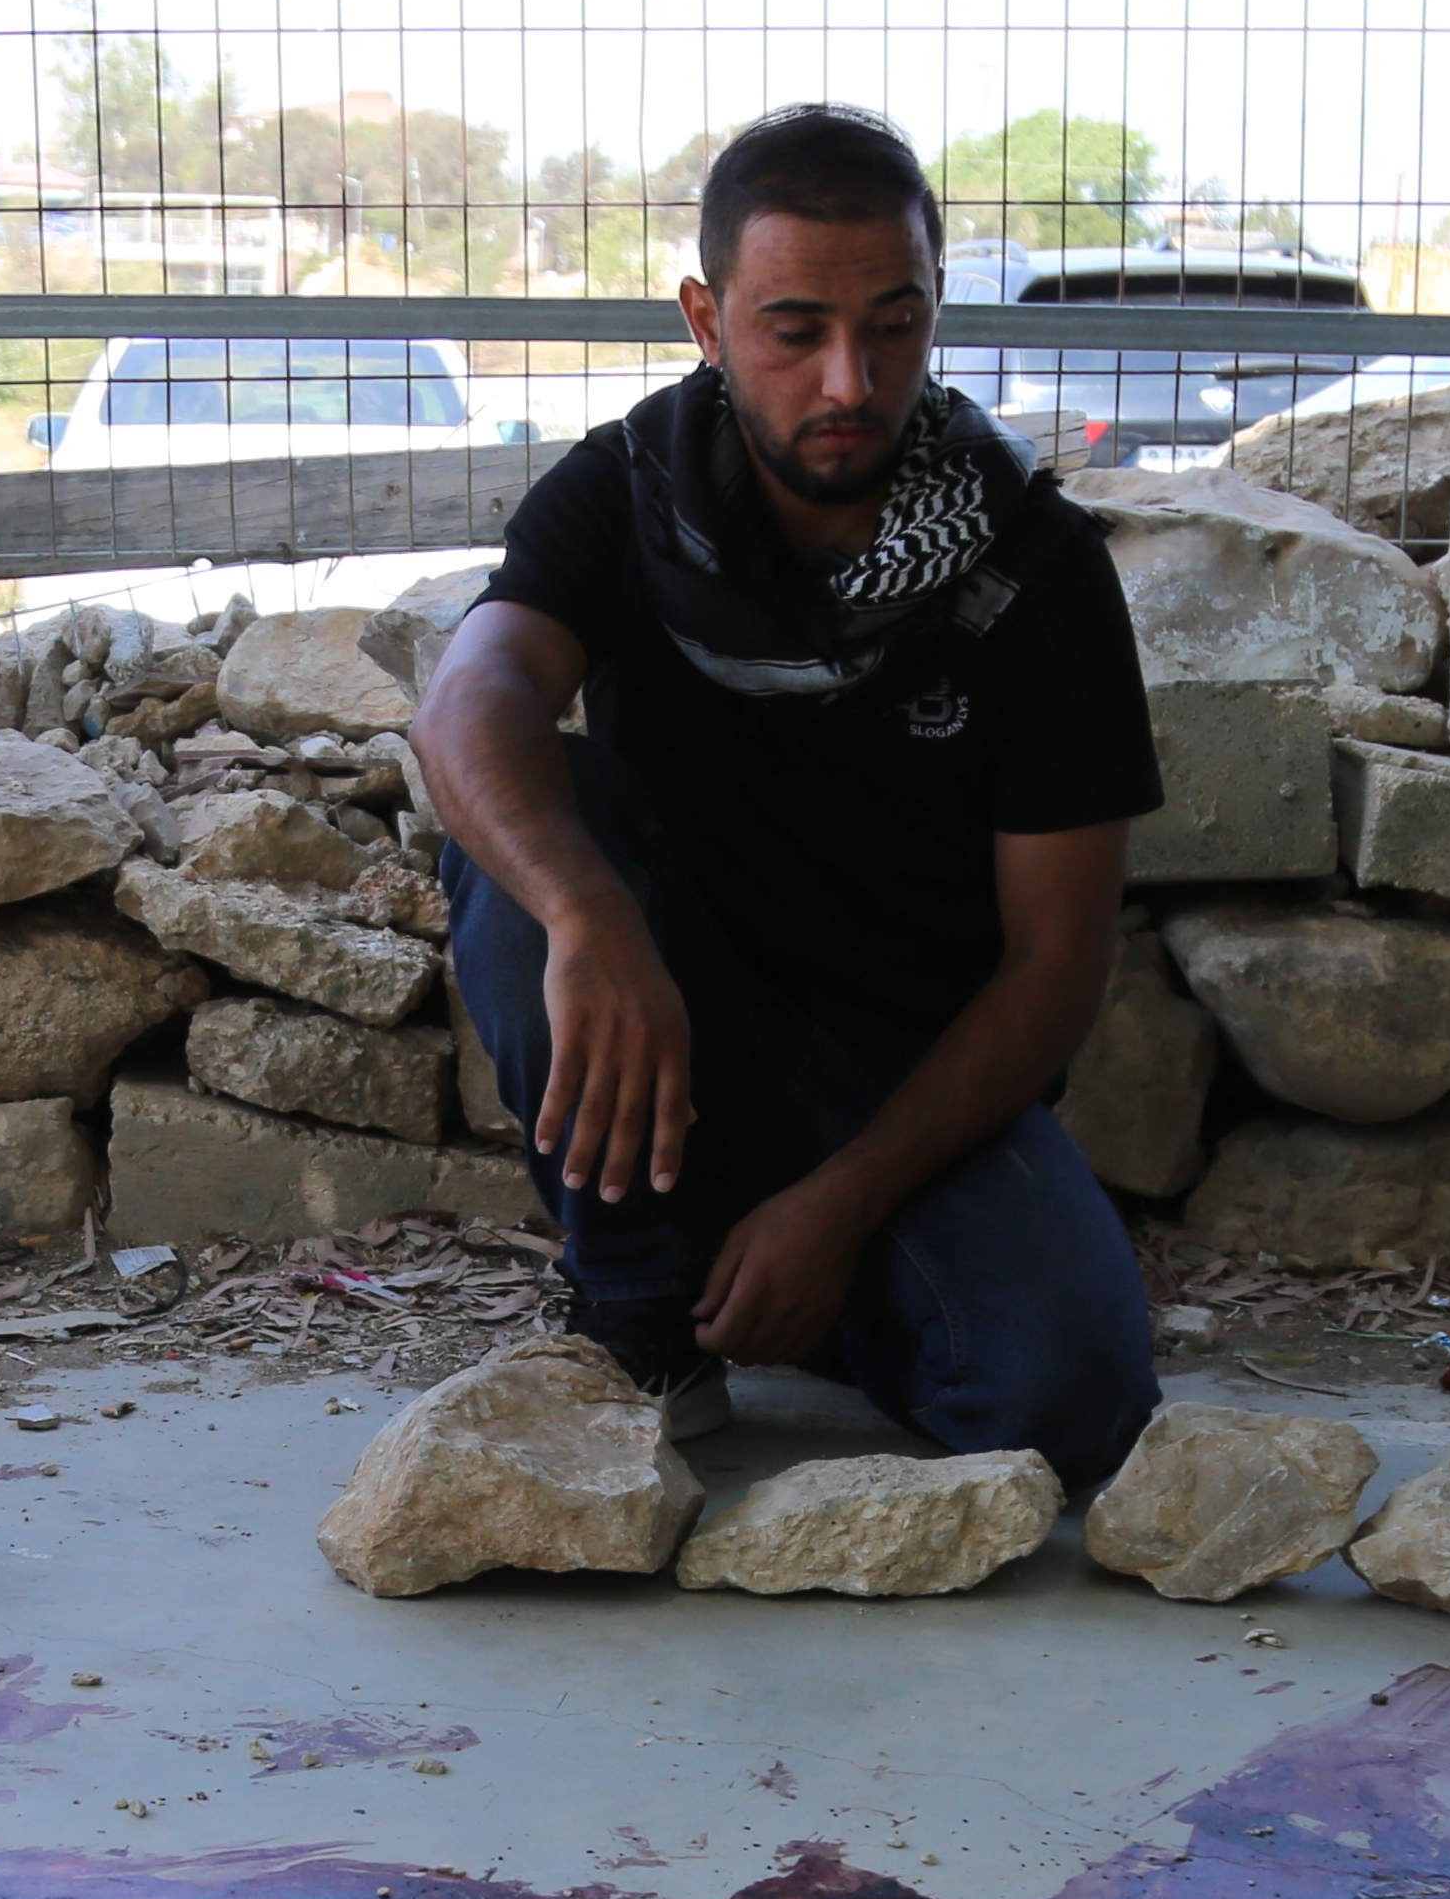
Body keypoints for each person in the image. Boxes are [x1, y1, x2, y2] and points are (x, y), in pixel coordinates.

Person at [410, 104, 1164, 1485]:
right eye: (794, 328)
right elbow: (469, 701)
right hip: (673, 1013)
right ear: (707, 319)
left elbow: (1058, 966)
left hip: (915, 1076)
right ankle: (644, 1326)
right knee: (533, 830)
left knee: (1073, 1401)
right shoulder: (627, 494)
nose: (848, 381)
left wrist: (841, 1203)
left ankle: (818, 1281)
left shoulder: (1032, 566)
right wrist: (592, 918)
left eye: (893, 325)